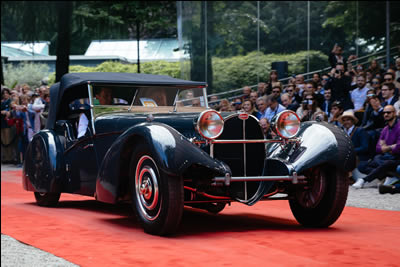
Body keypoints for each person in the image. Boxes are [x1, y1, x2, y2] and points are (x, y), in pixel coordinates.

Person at [353, 105, 400, 189]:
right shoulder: (385, 129)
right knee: (362, 166)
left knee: (386, 163)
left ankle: (364, 180)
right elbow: (378, 149)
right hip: (385, 157)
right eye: (384, 113)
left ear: (395, 113)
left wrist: (385, 147)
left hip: (396, 158)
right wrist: (390, 147)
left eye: (388, 112)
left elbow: (398, 148)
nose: (386, 114)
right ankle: (388, 176)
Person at [338, 111, 370, 175]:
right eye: (344, 120)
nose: (346, 122)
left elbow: (365, 147)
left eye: (348, 120)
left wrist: (351, 151)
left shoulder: (360, 131)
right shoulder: (341, 131)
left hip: (359, 158)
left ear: (352, 121)